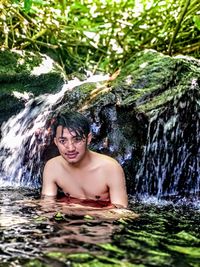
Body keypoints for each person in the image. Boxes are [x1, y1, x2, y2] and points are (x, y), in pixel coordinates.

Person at [41, 111, 128, 209]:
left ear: (89, 138)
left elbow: (121, 211)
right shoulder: (52, 167)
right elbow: (47, 205)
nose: (70, 148)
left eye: (77, 139)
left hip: (103, 223)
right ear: (56, 142)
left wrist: (74, 208)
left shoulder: (110, 168)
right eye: (62, 141)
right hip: (68, 222)